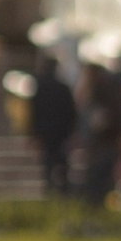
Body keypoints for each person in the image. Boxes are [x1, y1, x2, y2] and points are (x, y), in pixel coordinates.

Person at [80, 48, 121, 213]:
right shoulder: (111, 84)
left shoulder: (106, 85)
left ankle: (97, 206)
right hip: (108, 139)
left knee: (103, 175)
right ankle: (98, 206)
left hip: (106, 139)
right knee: (103, 175)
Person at [27, 48, 79, 200]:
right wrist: (72, 131)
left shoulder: (40, 88)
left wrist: (33, 134)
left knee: (49, 165)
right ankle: (64, 192)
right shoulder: (63, 88)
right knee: (62, 164)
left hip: (46, 132)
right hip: (61, 132)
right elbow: (72, 112)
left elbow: (34, 113)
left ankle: (51, 191)